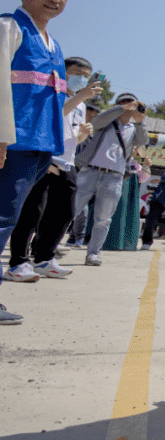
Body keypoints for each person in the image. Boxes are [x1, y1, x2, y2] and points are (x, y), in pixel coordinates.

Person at [0, 0, 72, 325]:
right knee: (0, 220)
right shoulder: (8, 28)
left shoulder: (53, 44)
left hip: (39, 146)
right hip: (11, 142)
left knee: (8, 220)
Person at [5, 57, 98, 281]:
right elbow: (51, 119)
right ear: (63, 72)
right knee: (32, 213)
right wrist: (79, 97)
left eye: (86, 76)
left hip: (67, 163)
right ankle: (17, 262)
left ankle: (44, 258)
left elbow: (72, 136)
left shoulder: (81, 104)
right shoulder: (52, 94)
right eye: (77, 73)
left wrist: (85, 132)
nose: (82, 79)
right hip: (46, 160)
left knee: (64, 213)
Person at [73, 93, 149, 265]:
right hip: (90, 171)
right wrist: (121, 109)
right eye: (123, 103)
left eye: (132, 104)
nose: (128, 106)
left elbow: (143, 141)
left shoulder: (133, 128)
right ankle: (49, 247)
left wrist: (140, 120)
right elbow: (96, 122)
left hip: (114, 176)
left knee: (103, 218)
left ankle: (93, 253)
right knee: (70, 210)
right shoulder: (105, 122)